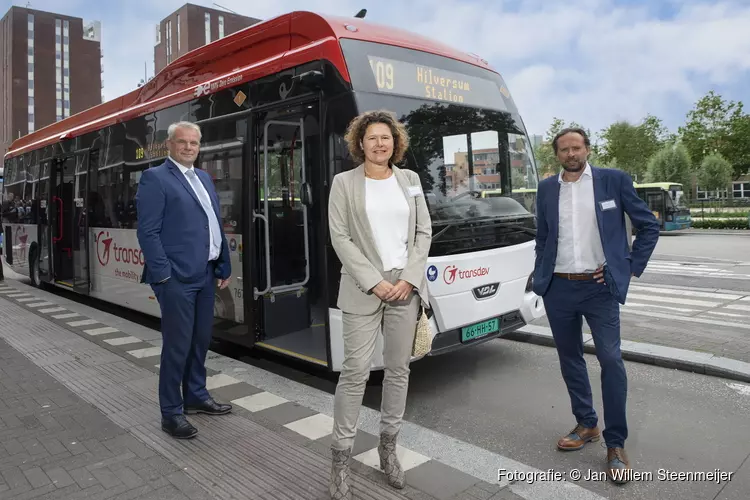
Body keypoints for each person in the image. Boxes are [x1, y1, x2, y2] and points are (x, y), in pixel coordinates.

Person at [532, 127, 659, 484]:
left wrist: (629, 266)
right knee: (569, 358)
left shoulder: (613, 181)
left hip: (599, 288)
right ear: (556, 154)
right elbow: (542, 235)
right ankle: (587, 424)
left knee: (611, 359)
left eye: (576, 147)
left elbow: (648, 226)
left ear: (587, 149)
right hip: (558, 287)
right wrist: (541, 271)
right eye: (564, 149)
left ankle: (615, 444)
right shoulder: (546, 188)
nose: (571, 154)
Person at [327, 110, 432, 499]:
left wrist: (408, 278)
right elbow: (340, 237)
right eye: (371, 137)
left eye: (385, 137)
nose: (379, 143)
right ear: (359, 143)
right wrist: (374, 282)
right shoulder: (344, 183)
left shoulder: (411, 181)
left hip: (405, 288)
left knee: (398, 371)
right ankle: (339, 461)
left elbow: (423, 233)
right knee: (354, 373)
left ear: (395, 142)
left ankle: (388, 449)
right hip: (361, 288)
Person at [136, 121, 233, 439]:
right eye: (183, 142)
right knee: (177, 346)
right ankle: (171, 413)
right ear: (170, 144)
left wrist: (222, 264)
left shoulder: (204, 177)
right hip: (176, 277)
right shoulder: (155, 178)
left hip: (205, 274)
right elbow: (148, 232)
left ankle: (195, 396)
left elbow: (213, 223)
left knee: (200, 340)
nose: (189, 147)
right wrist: (164, 276)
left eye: (194, 143)